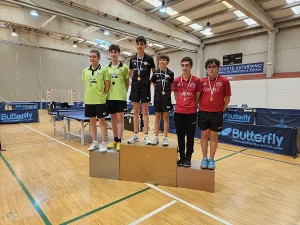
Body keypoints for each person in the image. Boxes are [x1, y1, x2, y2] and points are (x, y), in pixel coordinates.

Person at [198, 58, 231, 170]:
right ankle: (204, 158)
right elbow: (198, 97)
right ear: (206, 69)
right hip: (203, 112)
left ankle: (211, 159)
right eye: (209, 67)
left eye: (213, 67)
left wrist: (221, 109)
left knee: (213, 136)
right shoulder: (202, 81)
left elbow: (227, 99)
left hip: (216, 113)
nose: (211, 69)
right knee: (204, 136)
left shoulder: (224, 81)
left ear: (218, 68)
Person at [127, 36, 156, 145]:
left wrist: (150, 81)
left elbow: (155, 72)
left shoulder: (149, 59)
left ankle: (146, 135)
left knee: (145, 111)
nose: (139, 46)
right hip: (135, 87)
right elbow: (130, 72)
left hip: (145, 88)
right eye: (138, 44)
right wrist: (134, 80)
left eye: (141, 44)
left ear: (145, 46)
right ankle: (135, 135)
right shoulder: (132, 59)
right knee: (135, 111)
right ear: (136, 45)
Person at [173, 57, 201, 167]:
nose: (184, 68)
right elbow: (176, 95)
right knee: (180, 136)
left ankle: (188, 157)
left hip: (191, 113)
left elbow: (197, 97)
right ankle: (182, 157)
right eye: (183, 65)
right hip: (179, 112)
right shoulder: (176, 81)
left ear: (191, 67)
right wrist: (182, 103)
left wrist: (191, 105)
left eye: (187, 65)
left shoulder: (196, 81)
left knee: (190, 136)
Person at [82, 49, 109, 152]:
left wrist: (102, 94)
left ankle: (103, 143)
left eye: (94, 56)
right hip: (89, 101)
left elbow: (107, 86)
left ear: (99, 58)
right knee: (92, 122)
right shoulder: (85, 71)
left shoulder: (103, 70)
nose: (91, 58)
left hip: (100, 101)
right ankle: (95, 142)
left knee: (102, 122)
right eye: (90, 56)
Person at [106, 44, 130, 151]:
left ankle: (120, 141)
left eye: (115, 52)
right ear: (109, 54)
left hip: (120, 97)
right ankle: (115, 140)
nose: (113, 54)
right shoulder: (106, 68)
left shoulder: (124, 68)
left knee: (120, 119)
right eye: (111, 52)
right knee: (113, 119)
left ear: (119, 53)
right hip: (110, 97)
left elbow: (127, 83)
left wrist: (123, 93)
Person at [151, 54, 174, 146]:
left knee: (166, 118)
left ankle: (165, 138)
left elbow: (171, 87)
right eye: (160, 60)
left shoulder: (170, 73)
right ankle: (156, 137)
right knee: (157, 118)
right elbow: (154, 86)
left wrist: (166, 94)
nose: (161, 61)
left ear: (167, 62)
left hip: (166, 99)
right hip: (157, 98)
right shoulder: (155, 73)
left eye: (163, 60)